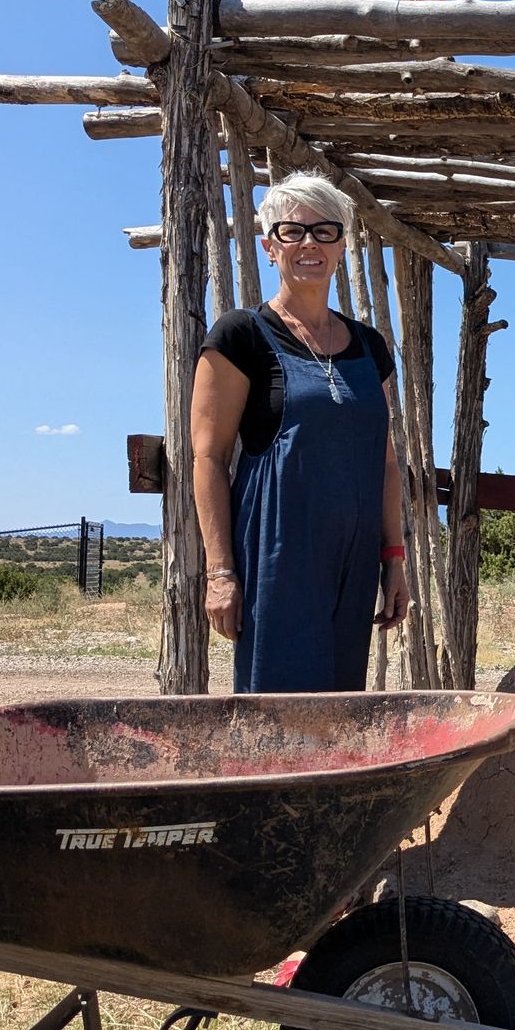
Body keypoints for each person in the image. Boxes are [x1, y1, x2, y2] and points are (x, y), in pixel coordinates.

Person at [191, 171, 411, 692]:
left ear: (342, 246)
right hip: (276, 557)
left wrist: (393, 558)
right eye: (293, 231)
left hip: (352, 563)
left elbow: (383, 462)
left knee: (340, 706)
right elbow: (207, 459)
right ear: (270, 247)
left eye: (325, 231)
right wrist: (221, 573)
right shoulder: (240, 336)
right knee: (275, 709)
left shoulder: (370, 347)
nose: (309, 243)